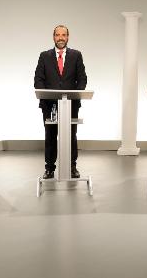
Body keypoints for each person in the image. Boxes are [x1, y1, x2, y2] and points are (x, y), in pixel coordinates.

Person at [34, 25, 87, 179]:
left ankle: (72, 167)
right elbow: (38, 79)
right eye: (58, 35)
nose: (61, 38)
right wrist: (46, 95)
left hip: (70, 104)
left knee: (71, 135)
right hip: (49, 104)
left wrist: (76, 94)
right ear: (54, 37)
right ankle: (50, 168)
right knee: (50, 135)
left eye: (63, 35)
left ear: (68, 37)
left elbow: (82, 78)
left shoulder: (76, 55)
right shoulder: (44, 56)